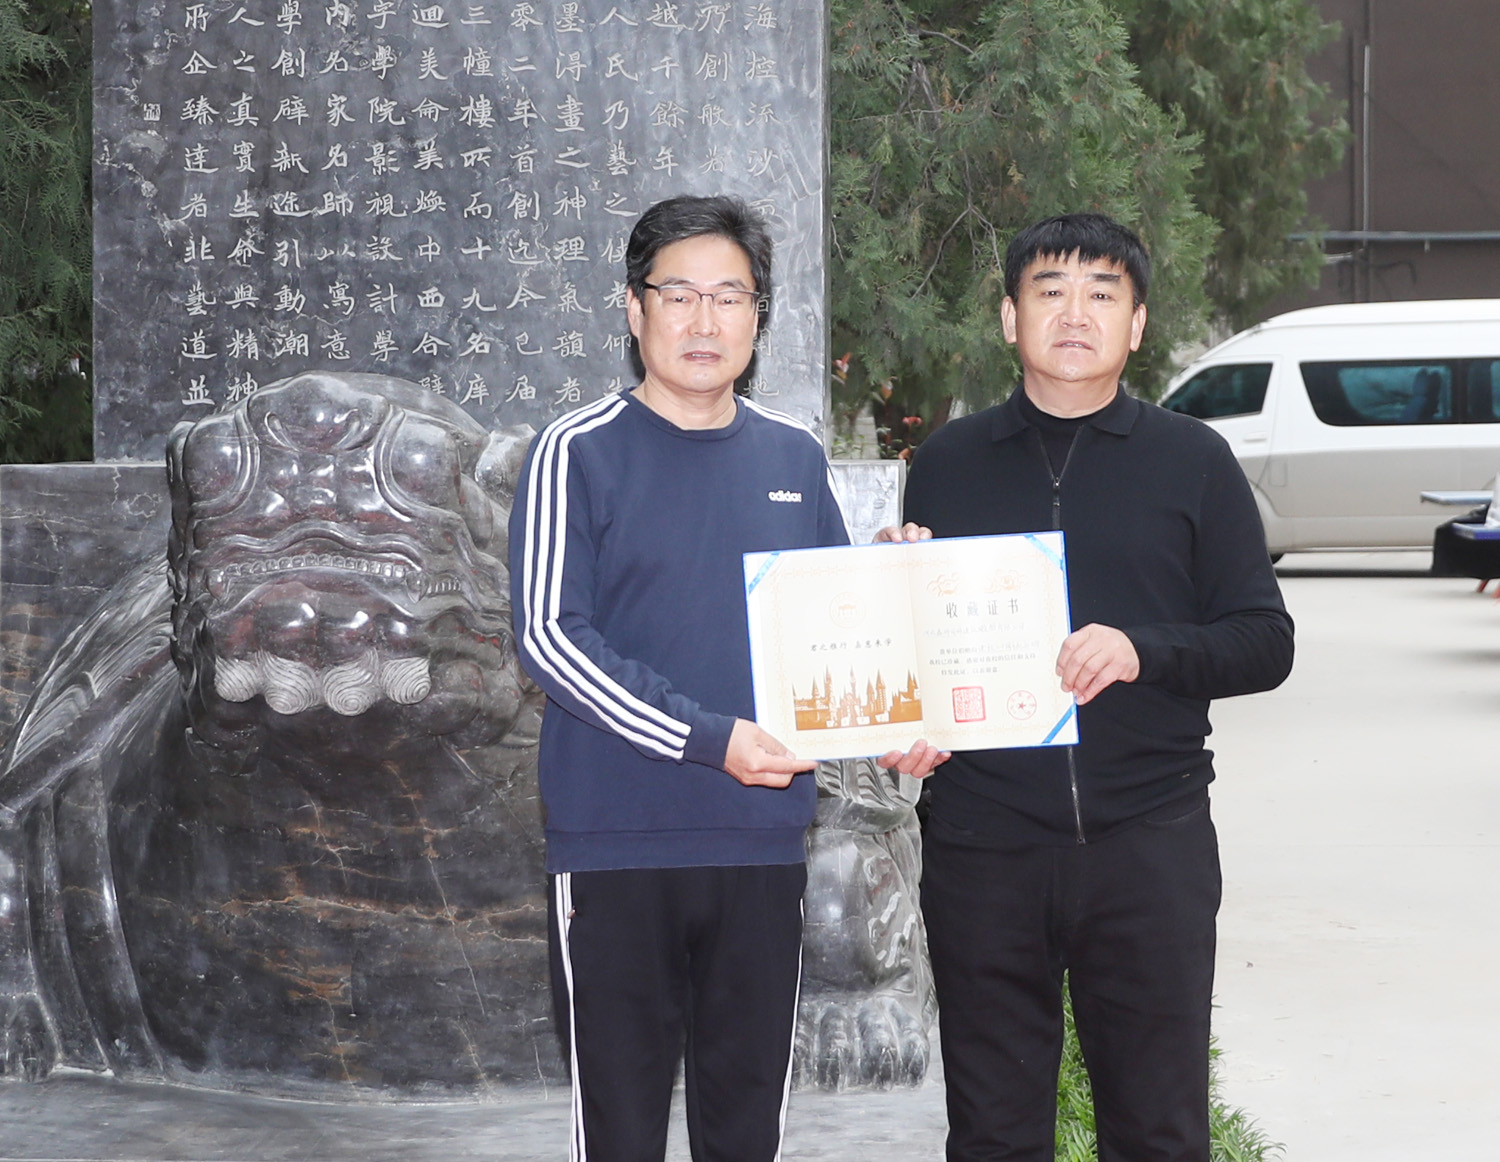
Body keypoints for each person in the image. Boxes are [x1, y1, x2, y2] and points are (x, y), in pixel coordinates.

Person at [509, 194, 944, 1162]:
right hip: (617, 850)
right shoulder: (575, 451)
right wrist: (711, 740)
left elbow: (836, 638)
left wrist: (900, 665)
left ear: (758, 317)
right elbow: (549, 638)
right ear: (635, 309)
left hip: (762, 845)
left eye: (730, 297)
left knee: (746, 1129)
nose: (704, 320)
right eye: (679, 294)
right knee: (619, 1133)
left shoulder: (791, 455)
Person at [899, 212, 1295, 1161]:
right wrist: (898, 659)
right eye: (1050, 290)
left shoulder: (1192, 460)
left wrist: (1141, 650)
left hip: (1149, 842)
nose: (1074, 314)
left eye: (1101, 293)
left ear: (1137, 324)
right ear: (1010, 317)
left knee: (1158, 1128)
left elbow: (1264, 641)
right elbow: (923, 647)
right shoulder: (947, 463)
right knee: (991, 1131)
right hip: (982, 847)